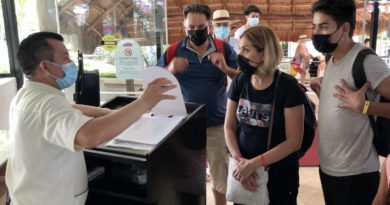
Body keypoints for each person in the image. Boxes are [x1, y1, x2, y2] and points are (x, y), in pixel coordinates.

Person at [5, 32, 176, 205]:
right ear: (45, 67)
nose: (71, 64)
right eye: (65, 58)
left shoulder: (28, 95)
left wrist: (108, 113)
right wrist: (144, 102)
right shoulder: (47, 104)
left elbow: (68, 108)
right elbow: (88, 137)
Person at [157, 4, 238, 205]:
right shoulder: (174, 51)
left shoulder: (223, 48)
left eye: (200, 26)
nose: (195, 31)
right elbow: (155, 83)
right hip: (186, 125)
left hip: (218, 125)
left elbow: (243, 79)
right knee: (189, 177)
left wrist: (225, 67)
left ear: (209, 25)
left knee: (221, 178)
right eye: (190, 28)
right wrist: (170, 69)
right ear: (184, 26)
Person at [310, 0, 390, 204]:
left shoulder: (366, 60)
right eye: (315, 27)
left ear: (344, 28)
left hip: (356, 173)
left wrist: (365, 106)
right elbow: (342, 106)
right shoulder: (331, 59)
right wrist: (322, 91)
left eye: (324, 26)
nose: (317, 33)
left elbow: (358, 105)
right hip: (330, 168)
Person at [225, 25, 305, 205]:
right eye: (241, 49)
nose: (241, 55)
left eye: (246, 49)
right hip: (244, 173)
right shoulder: (240, 80)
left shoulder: (288, 87)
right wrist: (241, 164)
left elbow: (294, 142)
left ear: (264, 54)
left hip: (278, 176)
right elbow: (229, 126)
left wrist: (253, 164)